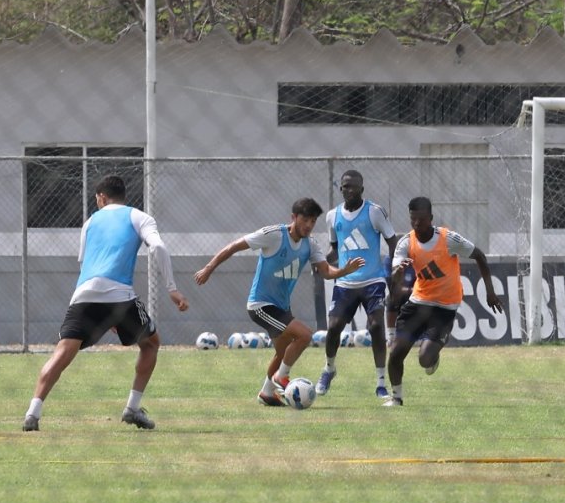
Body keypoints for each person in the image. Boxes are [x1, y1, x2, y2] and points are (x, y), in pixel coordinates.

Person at [21, 175, 188, 432]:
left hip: (84, 294)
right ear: (123, 195)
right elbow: (158, 247)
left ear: (101, 197)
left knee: (63, 353)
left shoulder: (89, 222)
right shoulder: (139, 217)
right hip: (120, 297)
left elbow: (84, 264)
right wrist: (172, 289)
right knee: (151, 343)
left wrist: (101, 313)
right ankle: (132, 409)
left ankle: (33, 413)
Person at [194, 197, 364, 406]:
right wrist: (208, 268)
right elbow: (234, 246)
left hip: (282, 307)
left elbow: (327, 271)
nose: (309, 226)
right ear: (294, 217)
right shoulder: (273, 235)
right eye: (306, 220)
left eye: (313, 222)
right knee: (305, 335)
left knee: (282, 353)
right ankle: (281, 378)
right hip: (261, 305)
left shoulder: (310, 245)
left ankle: (267, 393)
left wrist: (344, 271)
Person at [384, 197, 502, 407]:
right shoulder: (406, 242)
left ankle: (433, 352)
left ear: (431, 218)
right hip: (418, 302)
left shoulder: (448, 239)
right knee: (395, 352)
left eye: (421, 219)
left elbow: (480, 256)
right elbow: (394, 275)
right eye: (413, 219)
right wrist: (397, 273)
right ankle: (397, 398)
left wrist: (490, 292)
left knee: (425, 360)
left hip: (444, 307)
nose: (417, 224)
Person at [317, 170, 399, 398]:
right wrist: (321, 261)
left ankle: (381, 383)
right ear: (340, 189)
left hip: (372, 281)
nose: (349, 190)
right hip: (345, 283)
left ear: (362, 189)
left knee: (375, 327)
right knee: (333, 328)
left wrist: (393, 268)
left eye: (353, 186)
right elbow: (336, 248)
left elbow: (393, 241)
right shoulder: (332, 216)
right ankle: (329, 369)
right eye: (345, 186)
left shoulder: (374, 212)